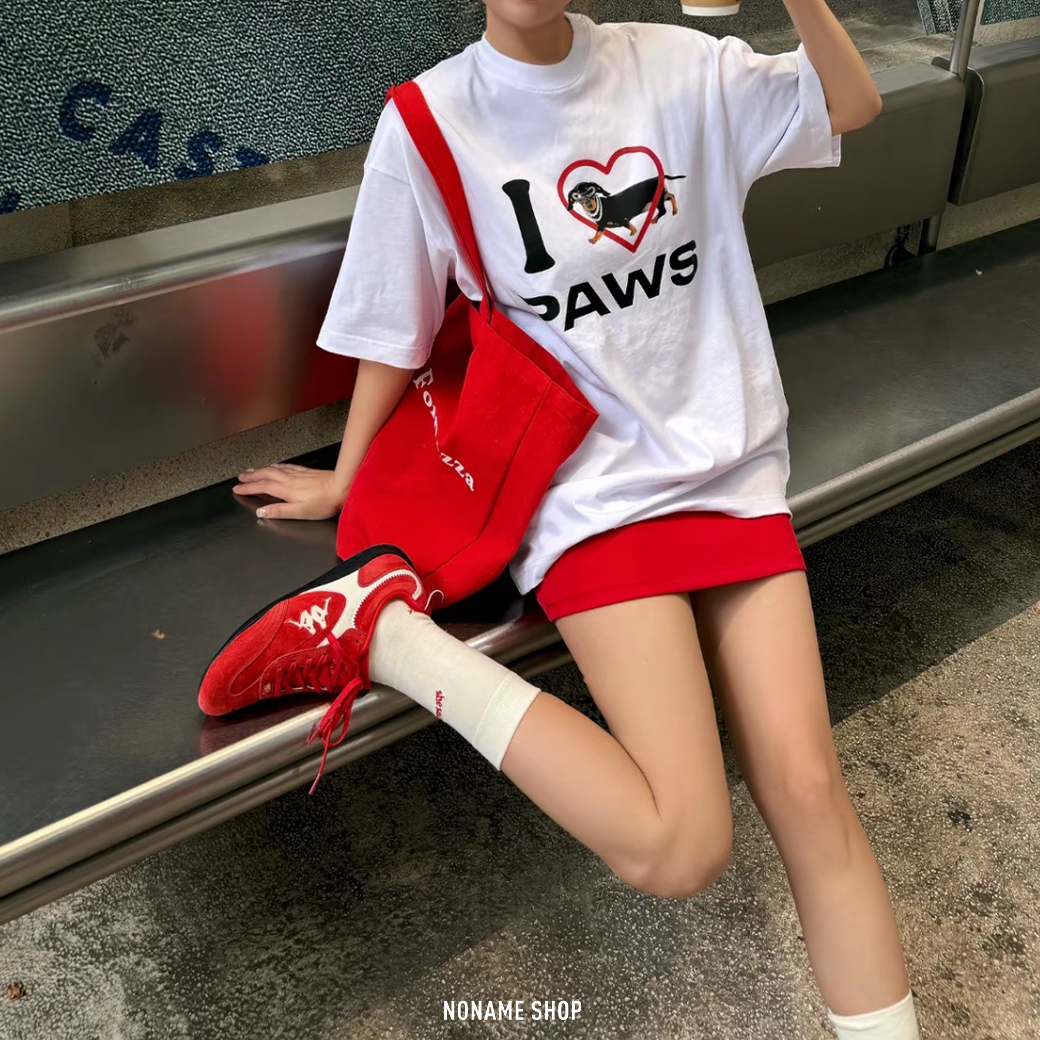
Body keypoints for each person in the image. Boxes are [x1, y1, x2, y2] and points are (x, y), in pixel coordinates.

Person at [200, 3, 921, 1037]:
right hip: (591, 500)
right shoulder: (431, 120)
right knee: (681, 846)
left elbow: (847, 102)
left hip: (729, 472)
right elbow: (393, 325)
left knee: (810, 790)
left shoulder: (675, 66)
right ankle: (391, 642)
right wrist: (344, 480)